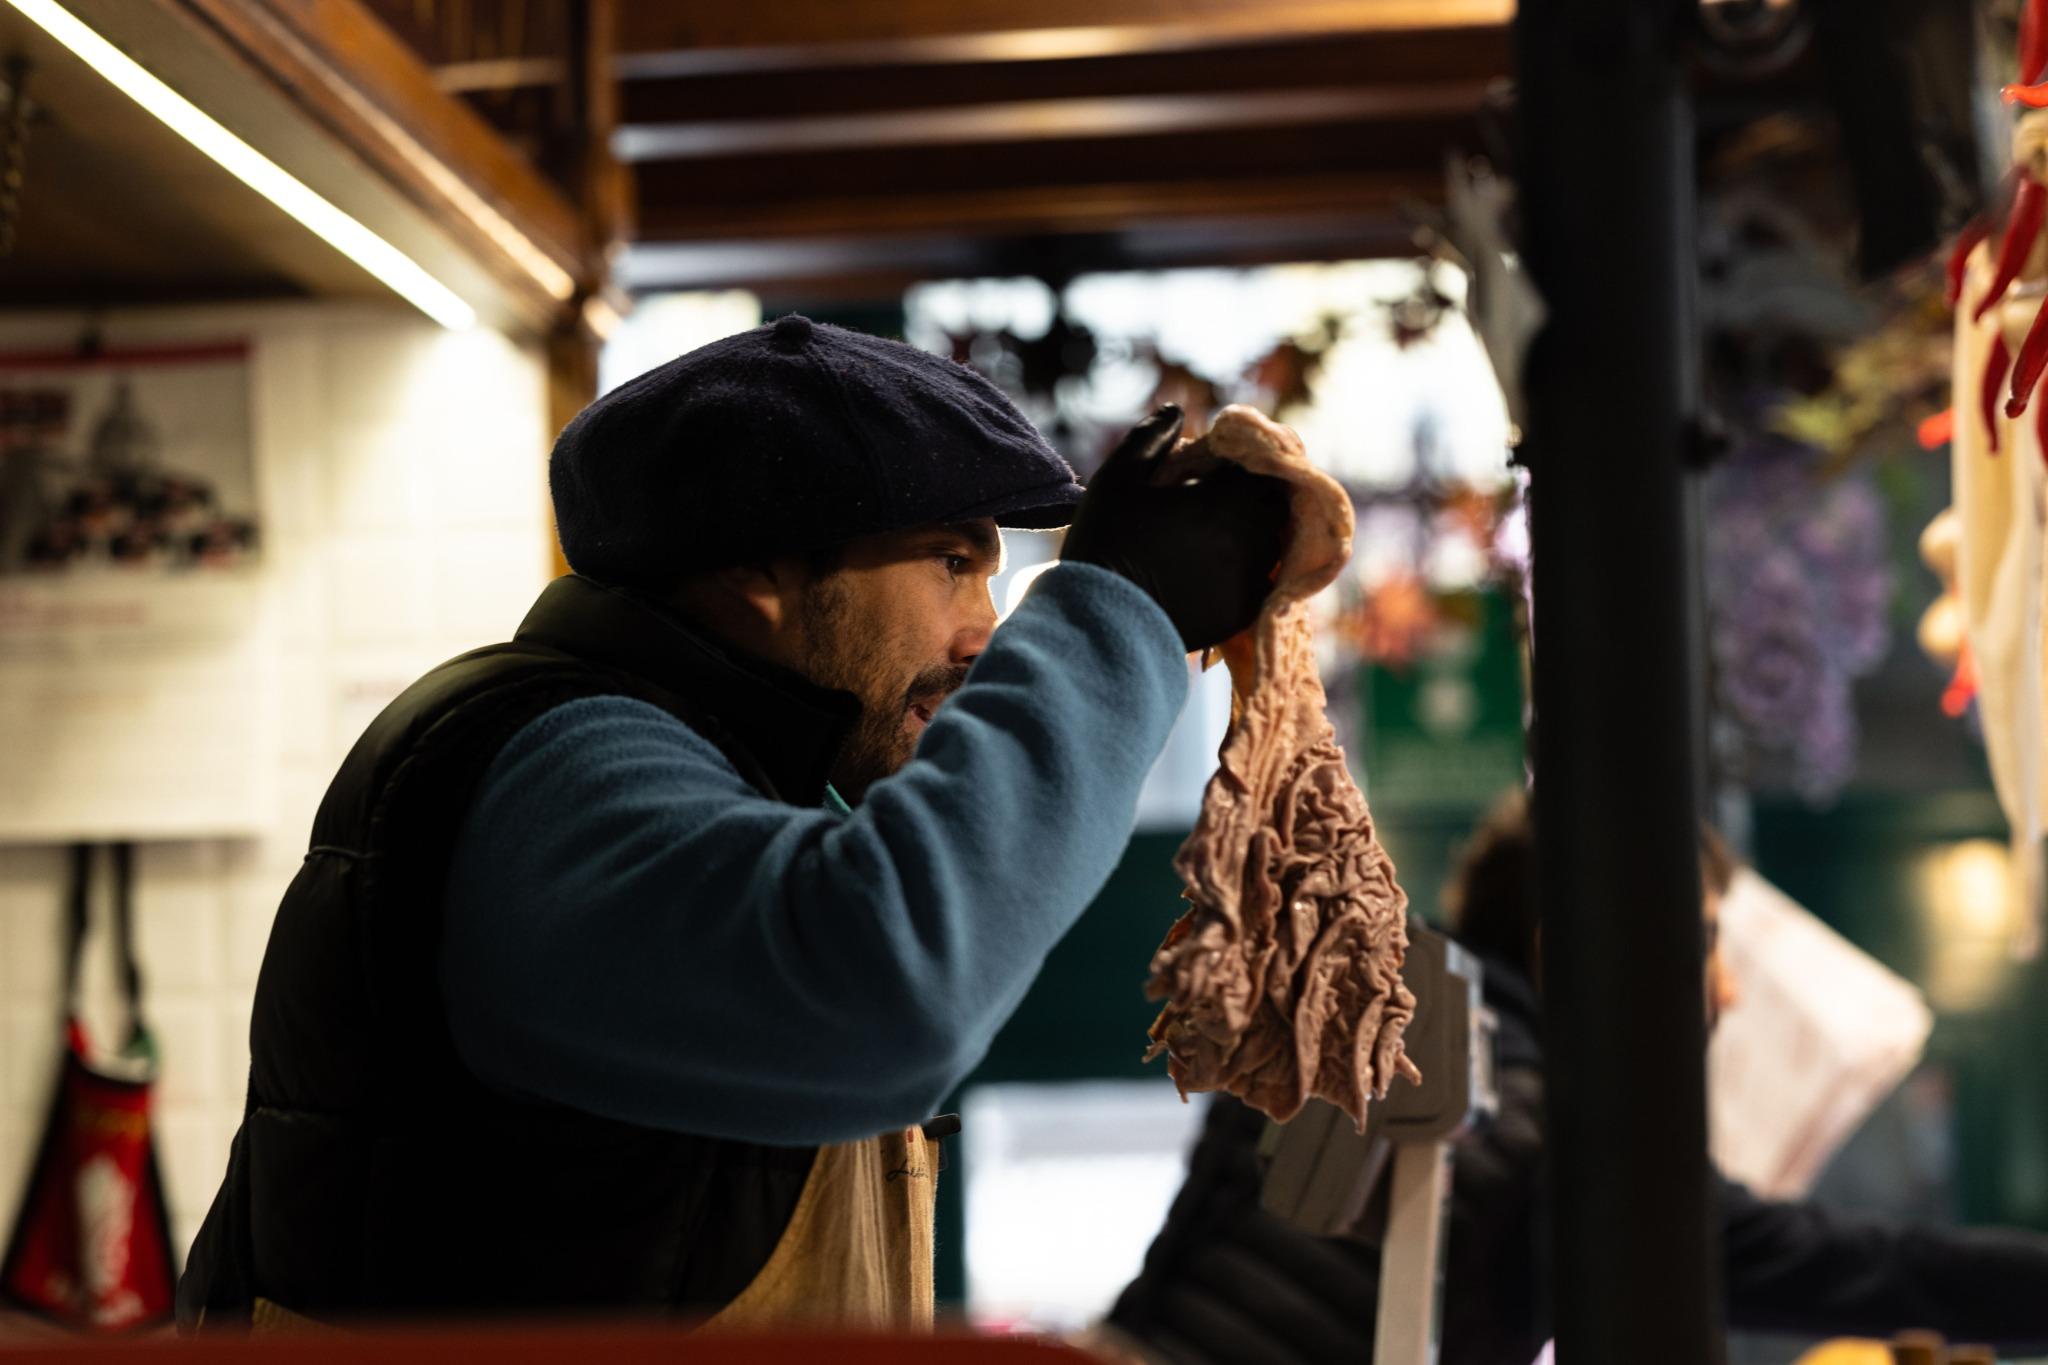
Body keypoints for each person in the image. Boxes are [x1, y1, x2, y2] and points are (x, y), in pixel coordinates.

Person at [175, 315, 1293, 1331]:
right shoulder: (551, 771)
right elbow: (883, 991)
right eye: (953, 564)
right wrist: (1116, 613)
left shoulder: (752, 779)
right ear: (756, 565)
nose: (981, 634)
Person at [1098, 791, 2048, 1365]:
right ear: (1582, 952)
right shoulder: (1562, 1133)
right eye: (1710, 946)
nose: (1727, 990)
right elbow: (1855, 1265)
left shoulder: (1337, 1012)